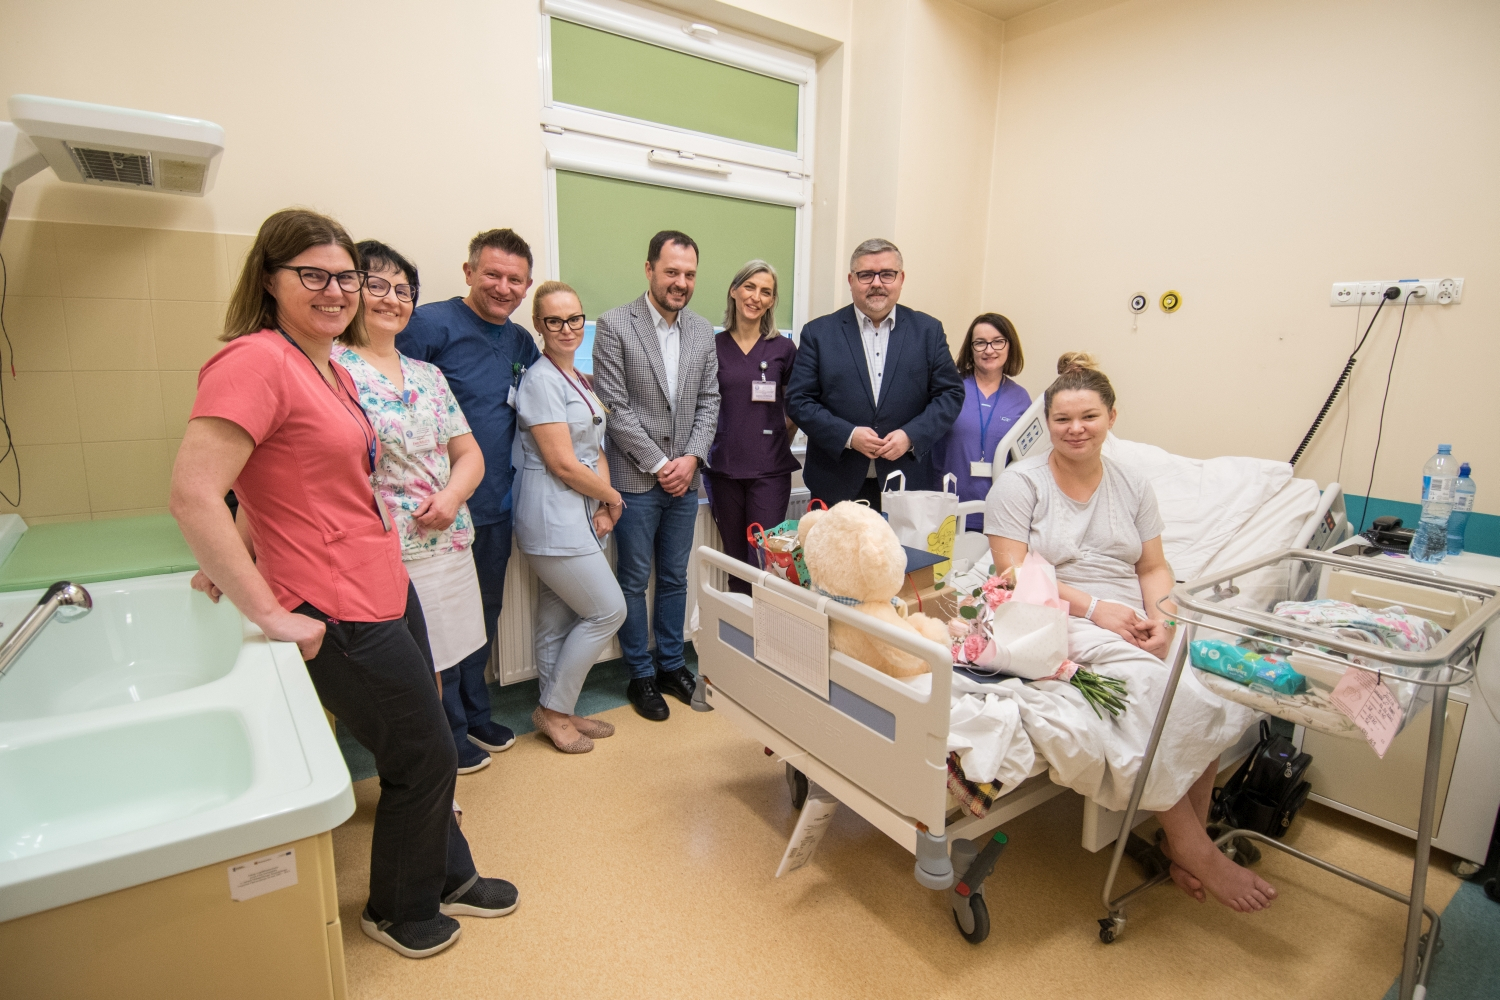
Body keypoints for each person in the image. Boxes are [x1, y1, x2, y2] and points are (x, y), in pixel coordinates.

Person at [170, 209, 518, 960]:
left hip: (383, 576)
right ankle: (397, 910)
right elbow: (196, 493)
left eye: (345, 277)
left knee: (431, 739)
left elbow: (273, 482)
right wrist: (264, 607)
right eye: (313, 275)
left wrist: (233, 552)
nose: (335, 290)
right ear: (270, 279)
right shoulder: (255, 361)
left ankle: (449, 875)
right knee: (421, 755)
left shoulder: (324, 365)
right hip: (330, 599)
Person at [985, 352, 1274, 913]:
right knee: (1152, 689)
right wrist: (1098, 610)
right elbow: (1011, 573)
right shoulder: (1021, 485)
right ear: (1047, 423)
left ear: (1111, 418)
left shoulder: (1133, 484)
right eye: (1062, 419)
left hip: (1134, 611)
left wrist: (1163, 619)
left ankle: (1184, 835)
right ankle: (1193, 846)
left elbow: (1154, 567)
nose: (1075, 428)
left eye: (1088, 416)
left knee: (1207, 680)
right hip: (1053, 610)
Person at [334, 240, 491, 772]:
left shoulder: (427, 375)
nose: (392, 299)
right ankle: (419, 775)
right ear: (350, 290)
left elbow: (469, 454)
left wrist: (451, 496)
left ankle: (435, 769)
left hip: (446, 538)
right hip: (382, 551)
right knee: (406, 673)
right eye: (377, 286)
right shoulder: (329, 370)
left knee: (442, 658)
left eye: (404, 291)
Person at [397, 229, 541, 772]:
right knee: (438, 626)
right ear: (468, 272)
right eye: (492, 274)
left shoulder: (520, 342)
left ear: (527, 285)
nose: (503, 287)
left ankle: (476, 714)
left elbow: (543, 392)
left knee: (482, 614)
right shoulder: (429, 326)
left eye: (515, 280)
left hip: (493, 504)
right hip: (436, 511)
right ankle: (448, 728)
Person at [593, 230, 720, 722]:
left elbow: (709, 401)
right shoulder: (615, 324)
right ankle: (640, 674)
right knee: (632, 578)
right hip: (635, 479)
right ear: (649, 270)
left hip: (686, 481)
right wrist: (661, 463)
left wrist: (691, 459)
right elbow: (614, 406)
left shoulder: (702, 331)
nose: (680, 282)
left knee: (673, 577)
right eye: (671, 272)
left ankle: (671, 664)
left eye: (689, 274)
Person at [512, 281, 628, 752]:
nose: (567, 328)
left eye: (574, 318)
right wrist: (614, 499)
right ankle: (555, 710)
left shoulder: (575, 376)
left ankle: (560, 709)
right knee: (608, 610)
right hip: (552, 517)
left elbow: (592, 445)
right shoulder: (541, 380)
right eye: (554, 320)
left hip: (578, 511)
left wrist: (601, 502)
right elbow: (562, 463)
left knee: (556, 620)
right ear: (538, 325)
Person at [785, 238, 964, 508]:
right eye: (866, 275)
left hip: (906, 482)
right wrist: (848, 436)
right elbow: (799, 401)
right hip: (835, 482)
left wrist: (911, 436)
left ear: (901, 278)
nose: (877, 283)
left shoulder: (928, 332)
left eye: (887, 274)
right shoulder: (818, 333)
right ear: (851, 280)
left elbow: (950, 395)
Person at [705, 260, 799, 594]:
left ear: (772, 301)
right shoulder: (712, 347)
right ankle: (738, 628)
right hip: (724, 470)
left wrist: (773, 441)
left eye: (766, 292)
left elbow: (796, 407)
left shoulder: (783, 349)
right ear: (734, 290)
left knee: (764, 566)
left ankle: (765, 629)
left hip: (769, 472)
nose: (756, 297)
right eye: (749, 287)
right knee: (736, 565)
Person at [932, 313, 1031, 531]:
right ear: (971, 349)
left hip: (999, 512)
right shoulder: (950, 389)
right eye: (980, 343)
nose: (989, 350)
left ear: (1010, 346)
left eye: (997, 341)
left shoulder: (1021, 398)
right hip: (945, 508)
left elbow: (1025, 459)